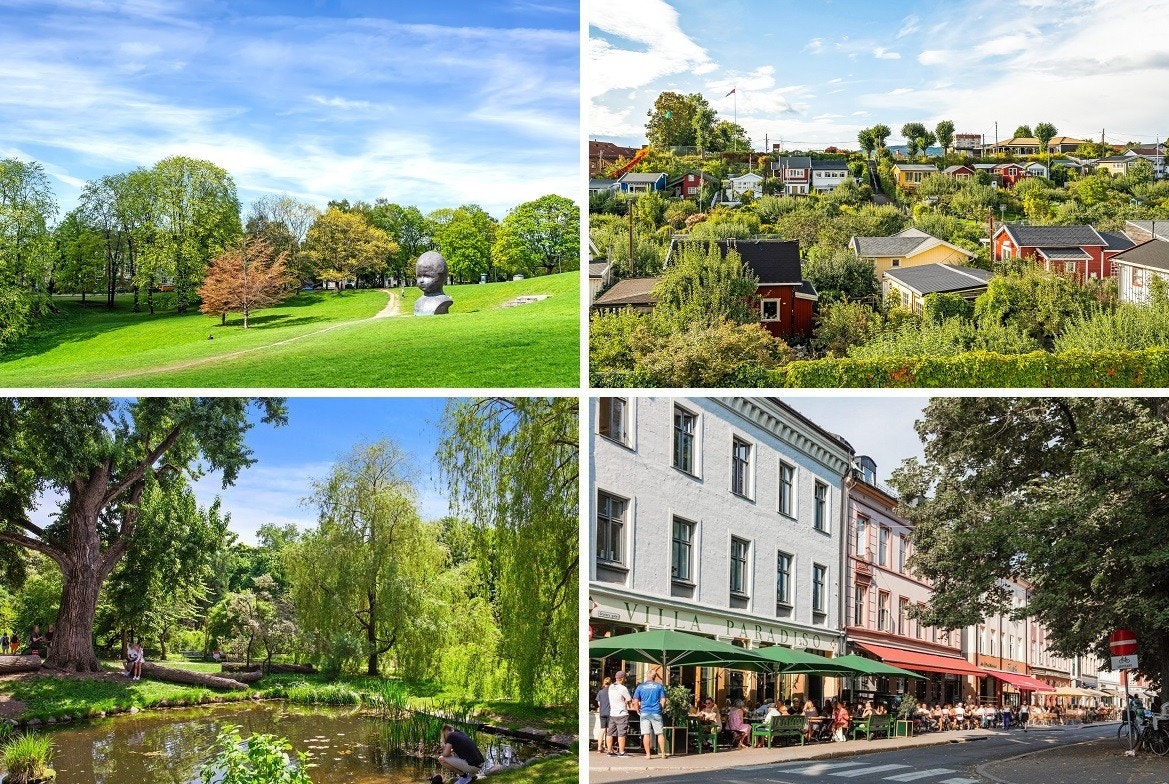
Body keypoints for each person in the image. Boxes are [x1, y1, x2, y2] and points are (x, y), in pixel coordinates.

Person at [632, 669, 668, 759]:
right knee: (660, 733)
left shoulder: (640, 687)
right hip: (656, 712)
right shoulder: (659, 686)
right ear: (655, 677)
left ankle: (648, 754)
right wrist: (662, 708)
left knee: (646, 734)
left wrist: (637, 710)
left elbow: (635, 701)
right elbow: (663, 700)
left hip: (644, 712)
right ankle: (663, 753)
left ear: (646, 676)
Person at [413, 251, 454, 315]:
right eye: (419, 276)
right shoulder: (417, 302)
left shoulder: (443, 301)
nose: (421, 281)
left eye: (427, 276)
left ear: (441, 277)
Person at [606, 670, 632, 757]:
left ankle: (609, 751)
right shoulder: (623, 688)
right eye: (625, 677)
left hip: (612, 713)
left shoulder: (610, 687)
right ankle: (621, 752)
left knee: (610, 733)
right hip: (621, 713)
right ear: (622, 678)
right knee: (622, 733)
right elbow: (628, 699)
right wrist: (626, 703)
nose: (626, 679)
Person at [595, 677, 611, 754]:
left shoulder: (600, 692)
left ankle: (599, 747)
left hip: (602, 713)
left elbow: (599, 703)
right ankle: (609, 748)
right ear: (610, 683)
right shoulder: (611, 691)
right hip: (610, 713)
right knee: (609, 731)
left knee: (602, 730)